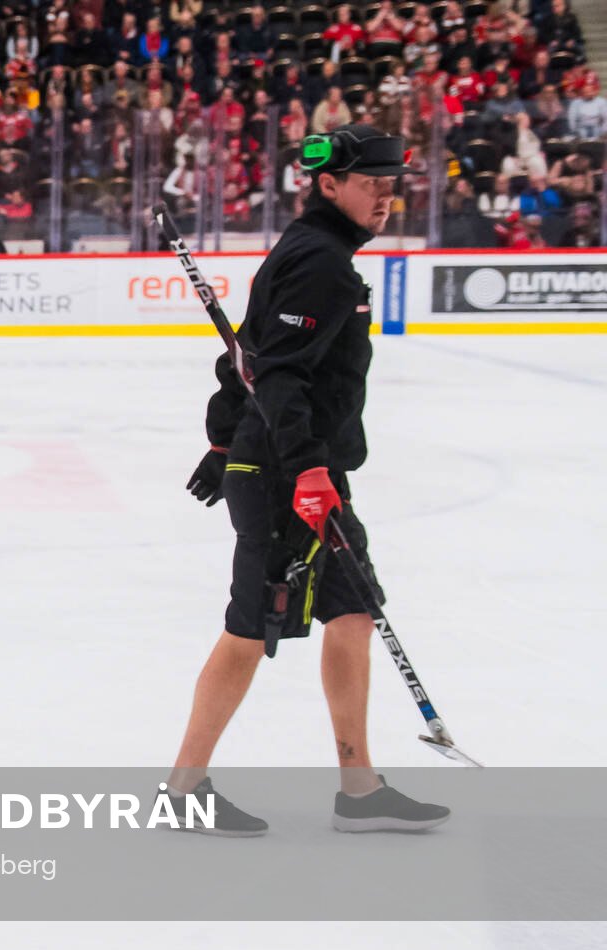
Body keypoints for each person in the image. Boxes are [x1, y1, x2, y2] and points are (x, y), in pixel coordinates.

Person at [171, 125, 447, 835]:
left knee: (353, 613)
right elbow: (283, 374)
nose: (385, 199)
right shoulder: (319, 261)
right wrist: (299, 470)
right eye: (371, 186)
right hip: (286, 476)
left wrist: (221, 432)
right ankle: (184, 787)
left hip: (305, 467)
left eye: (392, 186)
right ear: (329, 185)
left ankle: (358, 788)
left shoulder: (315, 253)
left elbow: (247, 355)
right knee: (250, 628)